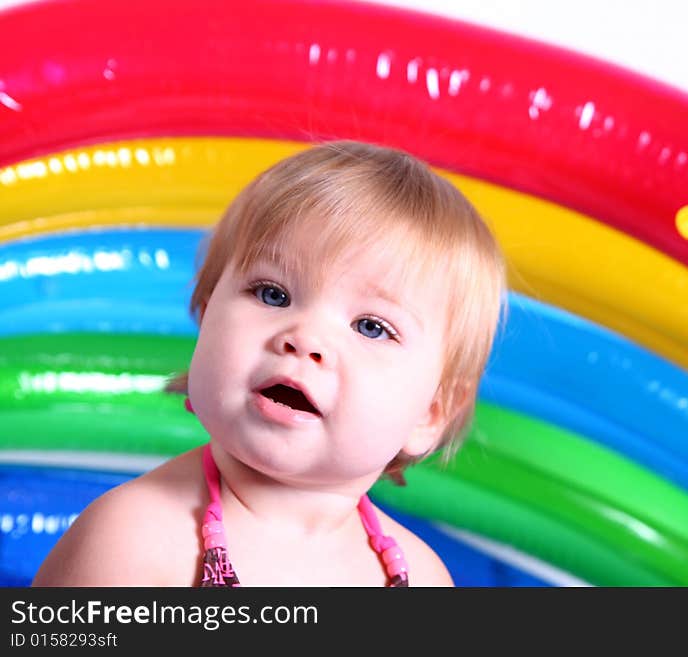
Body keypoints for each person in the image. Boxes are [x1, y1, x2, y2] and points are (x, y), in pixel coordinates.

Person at [31, 141, 507, 587]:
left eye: (371, 326)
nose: (304, 338)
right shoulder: (135, 541)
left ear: (430, 414)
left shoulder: (419, 576)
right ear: (205, 311)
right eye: (272, 294)